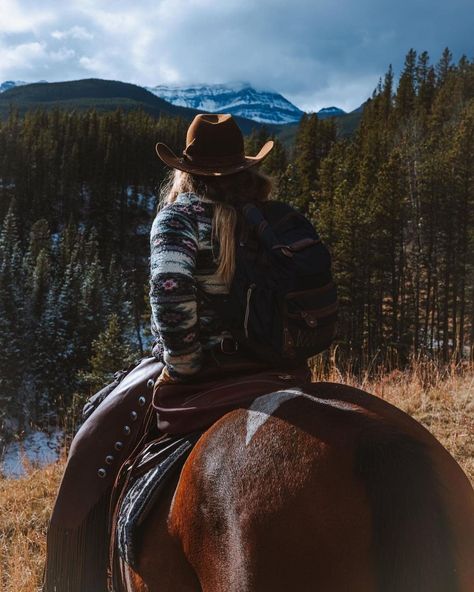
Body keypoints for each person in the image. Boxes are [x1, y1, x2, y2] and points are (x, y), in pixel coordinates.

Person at [150, 113, 280, 391]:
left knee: (103, 429)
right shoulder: (267, 217)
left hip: (210, 364)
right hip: (274, 359)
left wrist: (184, 365)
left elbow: (169, 293)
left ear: (185, 170)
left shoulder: (178, 218)